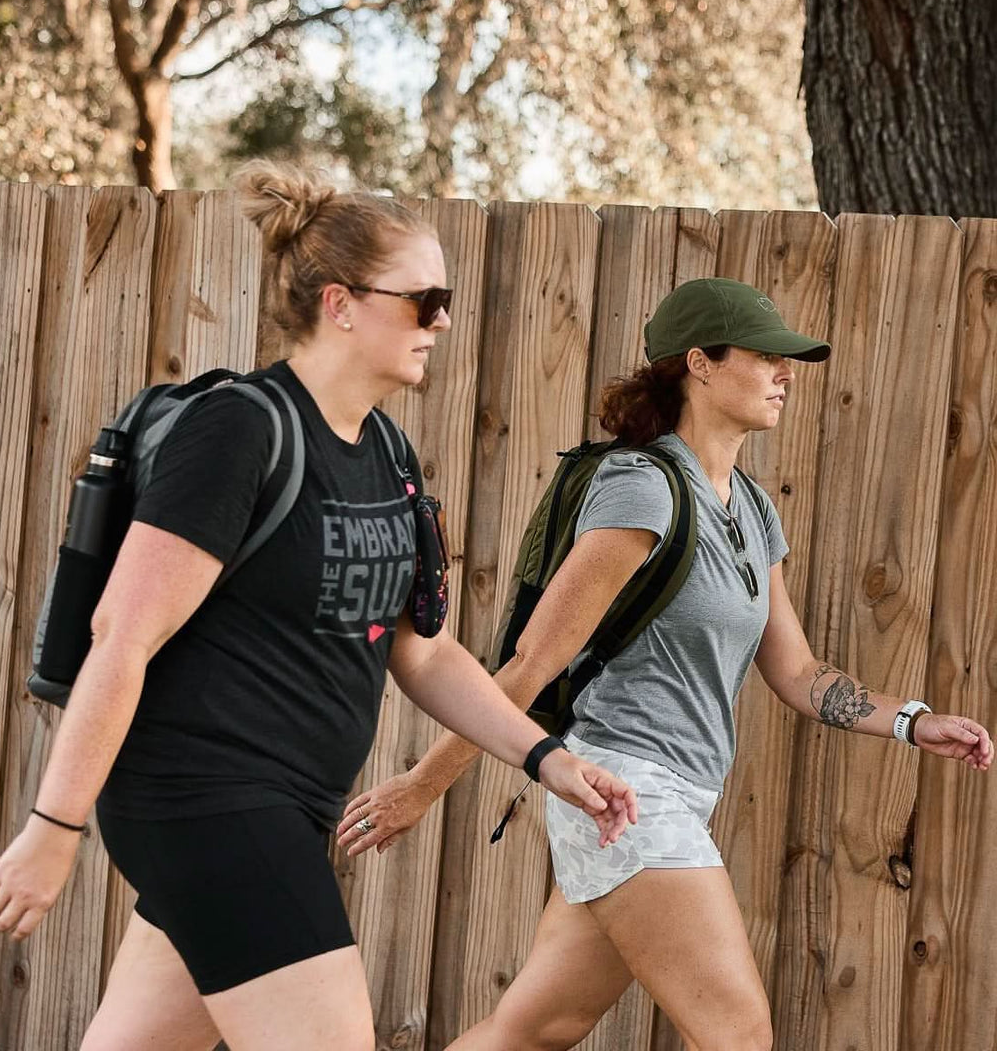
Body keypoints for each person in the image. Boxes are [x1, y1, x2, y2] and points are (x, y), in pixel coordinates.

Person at [0, 163, 638, 1051]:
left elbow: (427, 654)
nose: (442, 319)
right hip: (204, 799)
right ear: (341, 303)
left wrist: (546, 758)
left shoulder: (388, 453)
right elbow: (121, 638)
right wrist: (53, 829)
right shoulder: (241, 430)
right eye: (422, 299)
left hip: (287, 807)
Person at [339, 277, 994, 1051]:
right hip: (626, 789)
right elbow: (529, 665)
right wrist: (422, 786)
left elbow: (798, 673)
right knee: (739, 1036)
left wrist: (914, 723)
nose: (787, 373)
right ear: (701, 366)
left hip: (675, 792)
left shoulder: (750, 507)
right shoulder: (643, 489)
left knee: (536, 1027)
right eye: (765, 356)